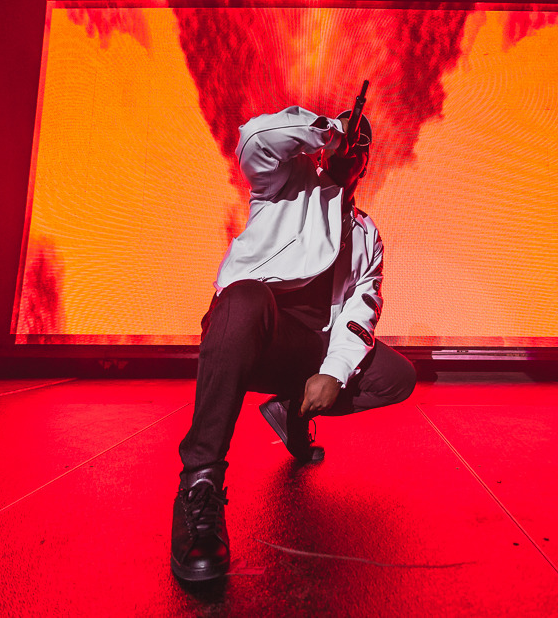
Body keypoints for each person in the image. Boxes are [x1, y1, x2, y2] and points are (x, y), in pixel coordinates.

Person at [170, 105, 417, 582]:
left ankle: (292, 411)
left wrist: (333, 371)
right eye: (349, 136)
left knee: (397, 377)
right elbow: (254, 140)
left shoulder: (367, 233)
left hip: (310, 352)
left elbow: (362, 307)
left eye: (361, 144)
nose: (353, 148)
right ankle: (199, 484)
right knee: (245, 299)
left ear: (365, 162)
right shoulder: (284, 185)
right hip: (248, 335)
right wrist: (324, 128)